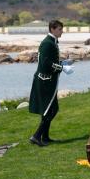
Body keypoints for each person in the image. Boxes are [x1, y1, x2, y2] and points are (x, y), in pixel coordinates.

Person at [29, 19, 65, 147]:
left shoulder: (51, 42)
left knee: (51, 109)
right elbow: (45, 63)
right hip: (45, 81)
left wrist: (63, 64)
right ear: (52, 29)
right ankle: (36, 136)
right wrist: (62, 68)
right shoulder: (47, 43)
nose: (62, 31)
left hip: (48, 80)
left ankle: (44, 136)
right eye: (60, 29)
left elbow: (49, 61)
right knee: (50, 109)